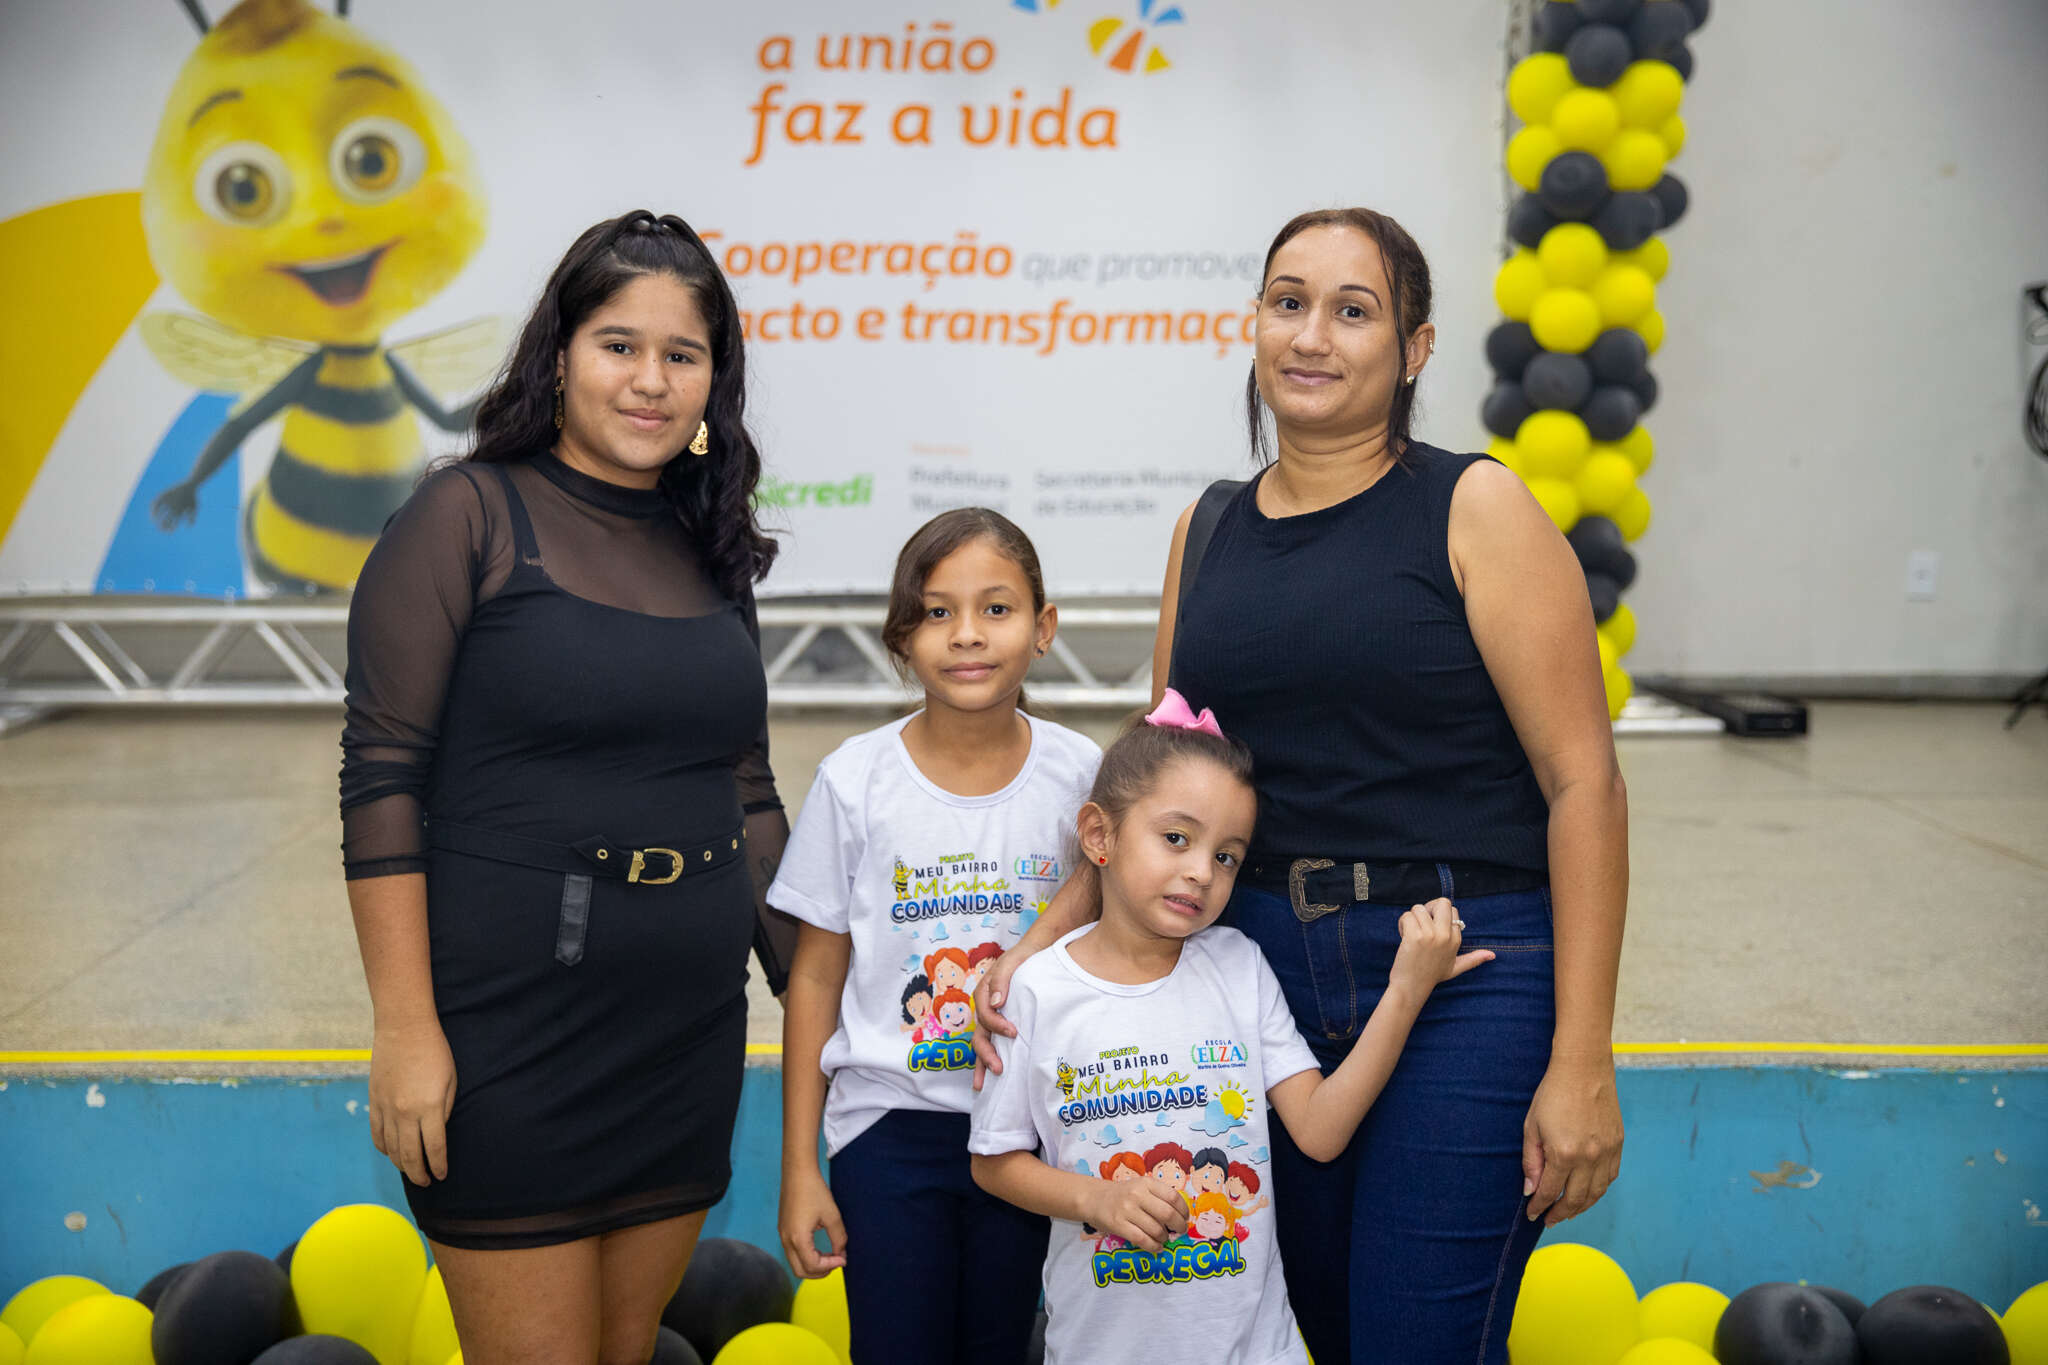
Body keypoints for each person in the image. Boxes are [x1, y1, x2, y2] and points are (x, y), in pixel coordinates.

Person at [976, 207, 1630, 1364]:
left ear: (1414, 348)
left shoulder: (1473, 506)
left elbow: (1584, 786)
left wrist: (1581, 1060)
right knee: (1315, 1328)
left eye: (1351, 310)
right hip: (1257, 971)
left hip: (1462, 969)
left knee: (1413, 1339)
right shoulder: (1208, 528)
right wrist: (1040, 943)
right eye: (1288, 303)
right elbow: (1154, 787)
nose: (1310, 335)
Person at [338, 211, 796, 1364]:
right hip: (509, 1039)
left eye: (681, 355)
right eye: (618, 345)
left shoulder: (708, 543)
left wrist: (817, 996)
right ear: (558, 357)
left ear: (714, 381)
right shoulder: (465, 516)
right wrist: (404, 1029)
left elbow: (745, 789)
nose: (650, 381)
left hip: (684, 1034)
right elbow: (381, 781)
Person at [969, 702, 1488, 1365]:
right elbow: (994, 1161)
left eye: (1226, 856)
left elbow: (1320, 1130)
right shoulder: (1038, 990)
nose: (1202, 872)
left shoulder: (1239, 965)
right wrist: (1096, 1197)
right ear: (1100, 834)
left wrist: (1407, 990)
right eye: (1176, 838)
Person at [772, 509, 1103, 1364]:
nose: (967, 634)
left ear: (1044, 627)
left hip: (1027, 1131)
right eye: (936, 611)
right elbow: (814, 979)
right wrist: (801, 1166)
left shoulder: (1082, 777)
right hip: (887, 1128)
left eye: (997, 608)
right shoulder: (855, 780)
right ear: (901, 638)